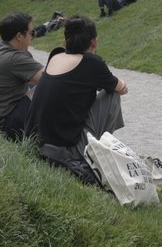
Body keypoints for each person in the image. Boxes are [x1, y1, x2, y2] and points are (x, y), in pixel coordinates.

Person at [25, 15, 128, 181]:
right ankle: (94, 153)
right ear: (94, 42)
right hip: (65, 151)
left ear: (65, 41)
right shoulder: (92, 62)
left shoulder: (56, 56)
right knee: (112, 95)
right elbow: (121, 88)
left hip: (36, 143)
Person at [0, 12, 44, 140]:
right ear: (19, 36)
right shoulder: (14, 58)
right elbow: (52, 79)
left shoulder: (0, 48)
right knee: (45, 88)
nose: (33, 36)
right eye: (31, 33)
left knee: (35, 84)